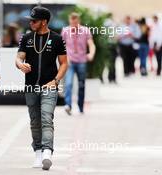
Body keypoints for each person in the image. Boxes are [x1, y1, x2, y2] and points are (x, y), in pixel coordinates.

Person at [15, 6, 68, 170]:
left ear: (44, 22)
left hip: (49, 86)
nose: (31, 23)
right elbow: (18, 58)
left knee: (46, 118)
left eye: (34, 20)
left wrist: (56, 80)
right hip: (30, 86)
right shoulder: (27, 38)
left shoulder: (57, 39)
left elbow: (64, 63)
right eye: (30, 20)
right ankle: (38, 152)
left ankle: (47, 151)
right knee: (34, 121)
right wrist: (20, 65)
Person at [61, 12, 96, 115]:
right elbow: (62, 46)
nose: (74, 24)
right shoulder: (65, 31)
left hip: (81, 61)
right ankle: (68, 105)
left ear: (78, 21)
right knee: (68, 84)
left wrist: (91, 54)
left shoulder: (85, 31)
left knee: (81, 85)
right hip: (70, 61)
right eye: (72, 22)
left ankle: (81, 107)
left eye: (75, 22)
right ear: (69, 21)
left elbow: (91, 44)